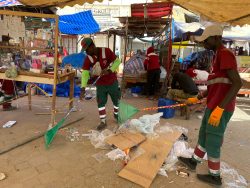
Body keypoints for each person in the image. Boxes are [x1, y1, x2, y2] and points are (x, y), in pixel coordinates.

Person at [178, 24, 242, 186]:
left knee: (213, 140)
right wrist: (198, 97)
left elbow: (237, 83)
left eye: (206, 41)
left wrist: (220, 109)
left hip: (221, 108)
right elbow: (215, 84)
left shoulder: (225, 54)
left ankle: (215, 176)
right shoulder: (217, 56)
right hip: (214, 106)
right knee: (204, 135)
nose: (203, 44)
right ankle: (194, 161)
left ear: (216, 38)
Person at [80, 38, 121, 131]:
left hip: (112, 82)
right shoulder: (88, 58)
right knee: (101, 103)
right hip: (100, 84)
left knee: (116, 101)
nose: (86, 52)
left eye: (87, 49)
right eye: (85, 50)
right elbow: (85, 73)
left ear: (92, 46)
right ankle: (103, 121)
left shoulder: (106, 51)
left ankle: (117, 115)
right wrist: (83, 88)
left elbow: (118, 61)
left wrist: (109, 70)